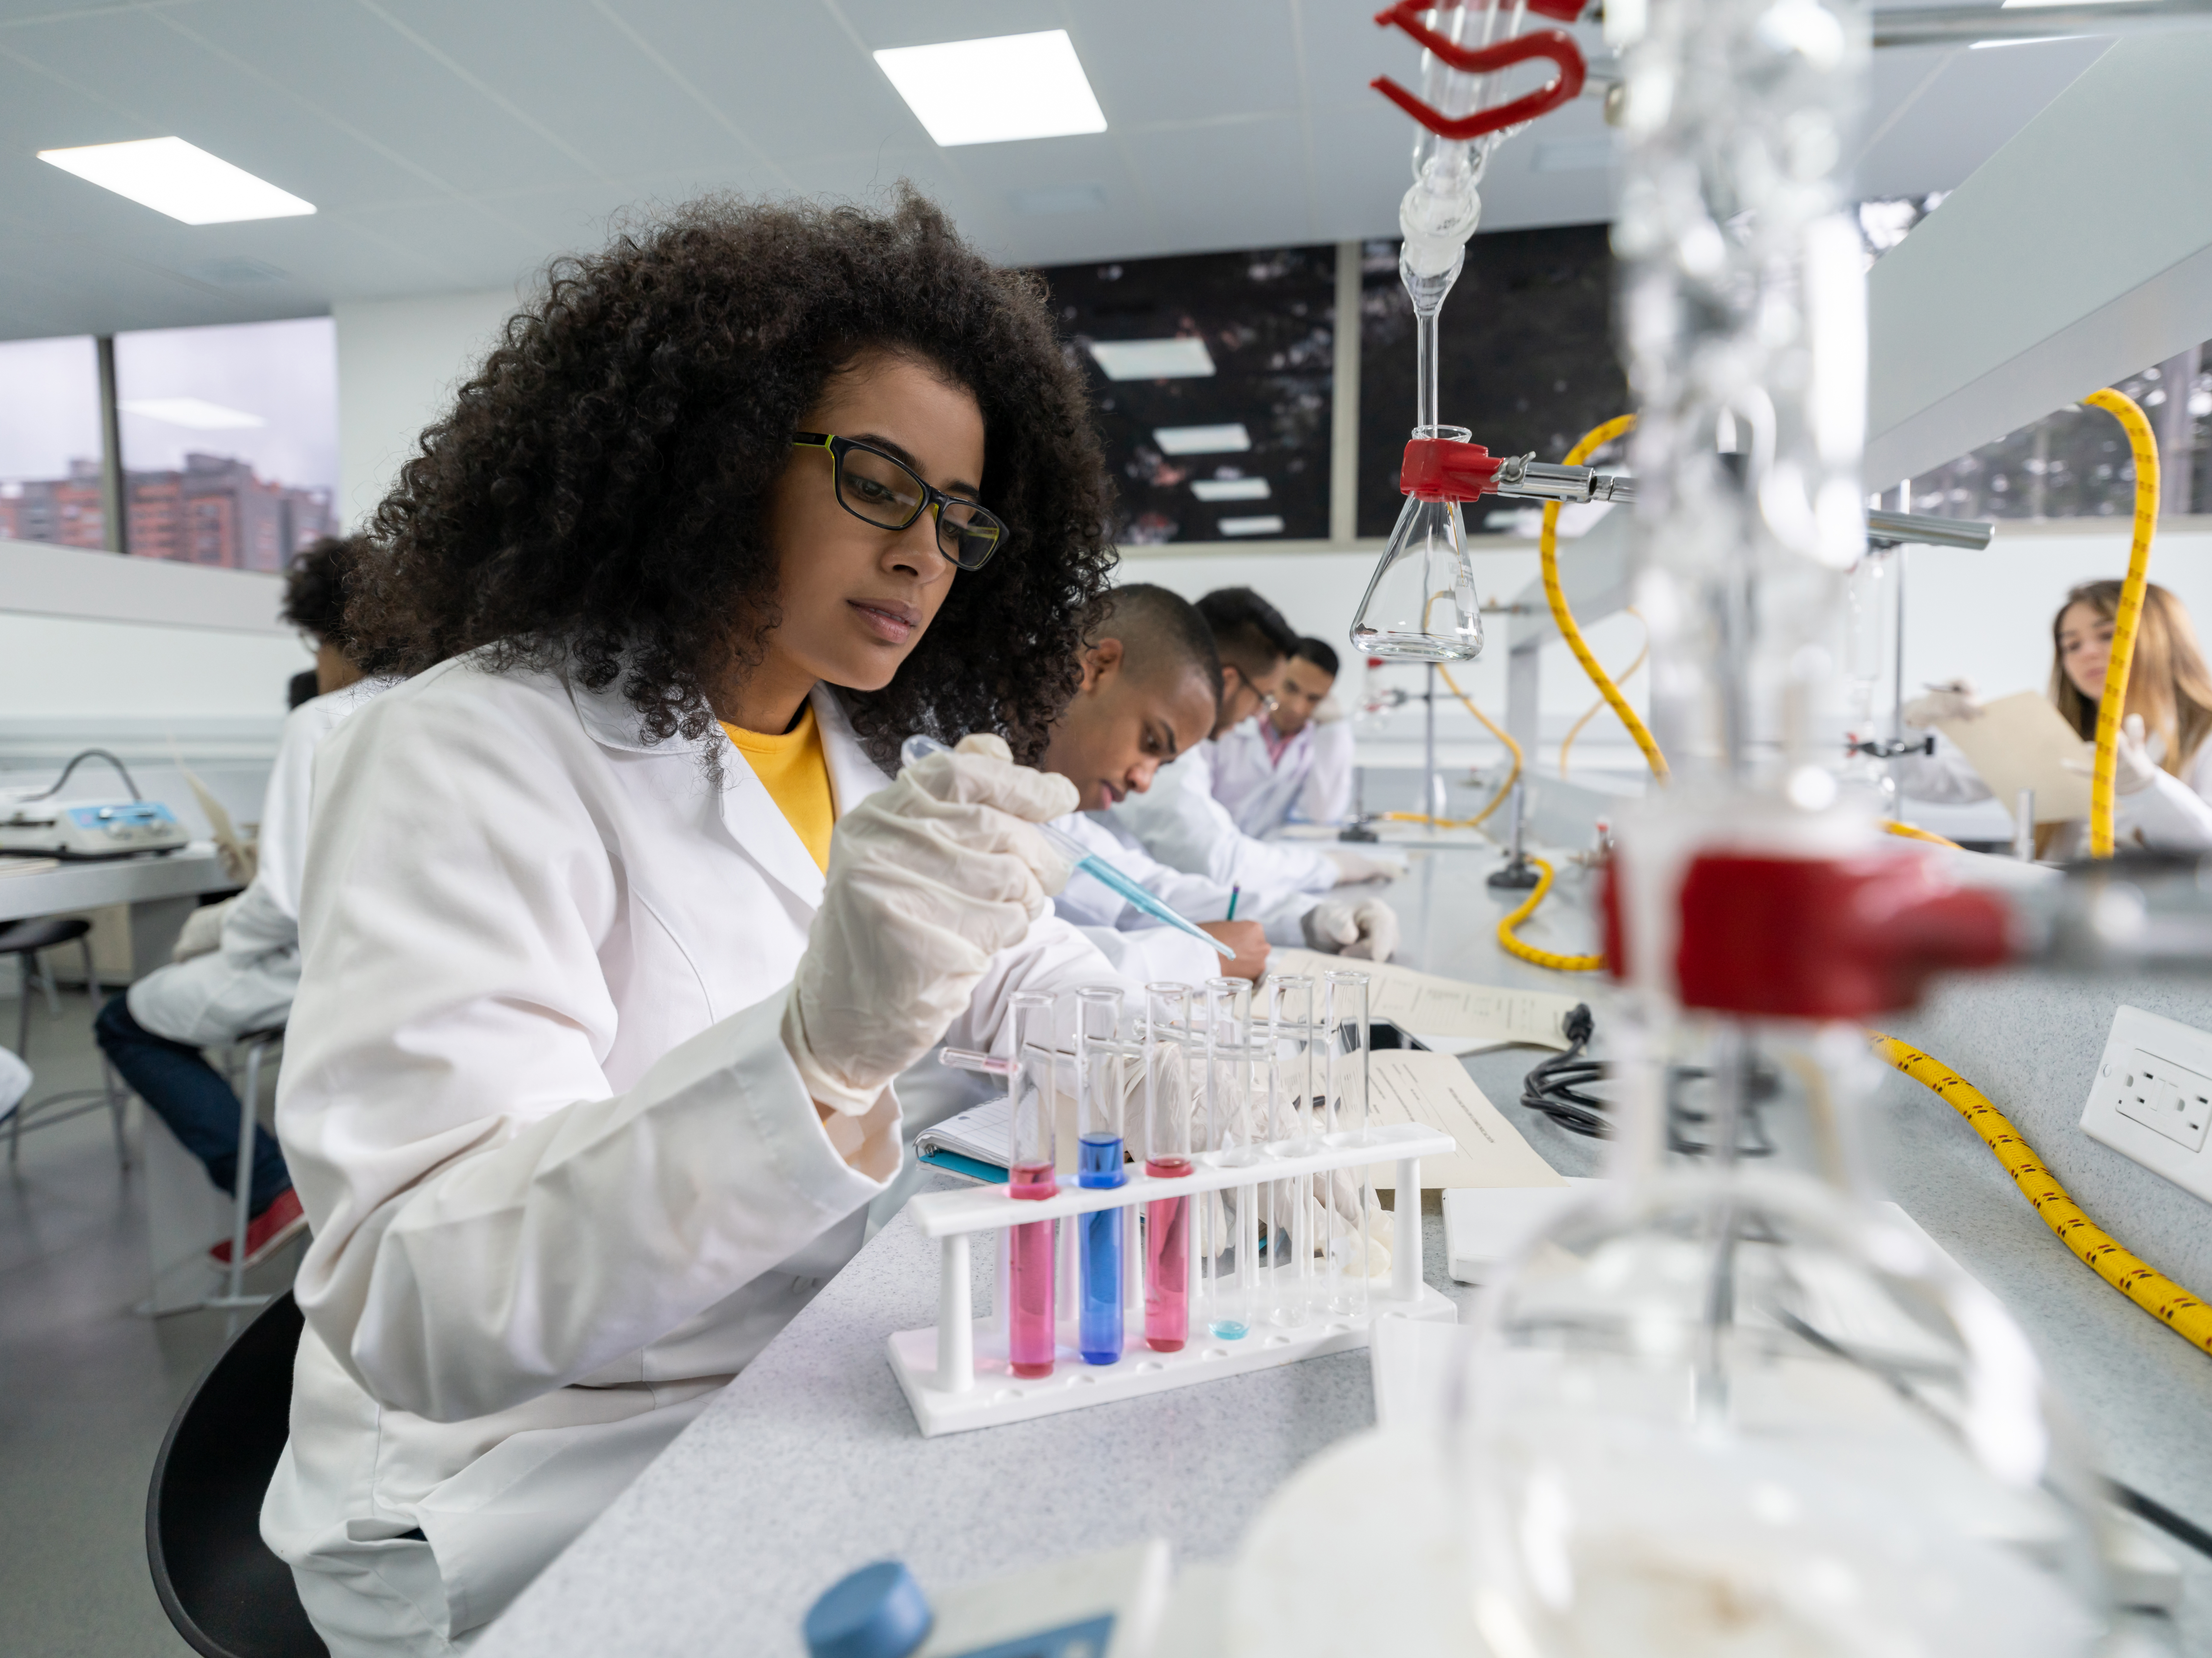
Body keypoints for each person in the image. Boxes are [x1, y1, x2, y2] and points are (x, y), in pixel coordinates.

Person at [259, 192, 1141, 1657]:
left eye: (960, 513)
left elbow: (1022, 966)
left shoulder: (855, 748)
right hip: (523, 1474)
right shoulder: (470, 747)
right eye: (877, 481)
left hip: (782, 1370)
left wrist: (1197, 1052)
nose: (925, 550)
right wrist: (813, 1055)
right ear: (717, 455)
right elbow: (418, 1293)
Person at [94, 536, 381, 1270]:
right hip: (391, 972)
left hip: (309, 973)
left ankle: (267, 1184)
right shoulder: (446, 706)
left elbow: (284, 904)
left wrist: (209, 928)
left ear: (337, 636)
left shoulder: (321, 720)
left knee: (126, 1020)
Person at [1038, 586, 1400, 980]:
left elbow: (1137, 891)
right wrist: (1200, 958)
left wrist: (1307, 918)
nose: (1144, 780)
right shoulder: (989, 782)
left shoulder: (1048, 803)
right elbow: (1024, 971)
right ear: (1101, 664)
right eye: (1267, 697)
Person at [1900, 578, 2212, 857]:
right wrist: (1916, 724)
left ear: (2164, 638)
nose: (2086, 652)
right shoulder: (2055, 734)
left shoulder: (2204, 737)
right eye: (2071, 645)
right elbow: (1931, 785)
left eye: (2106, 634)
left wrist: (2147, 788)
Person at [1210, 635, 1354, 836]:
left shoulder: (1315, 742)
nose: (1297, 708)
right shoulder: (1233, 724)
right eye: (1290, 688)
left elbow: (1324, 816)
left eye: (1313, 698)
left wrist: (1334, 729)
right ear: (1277, 677)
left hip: (1260, 858)